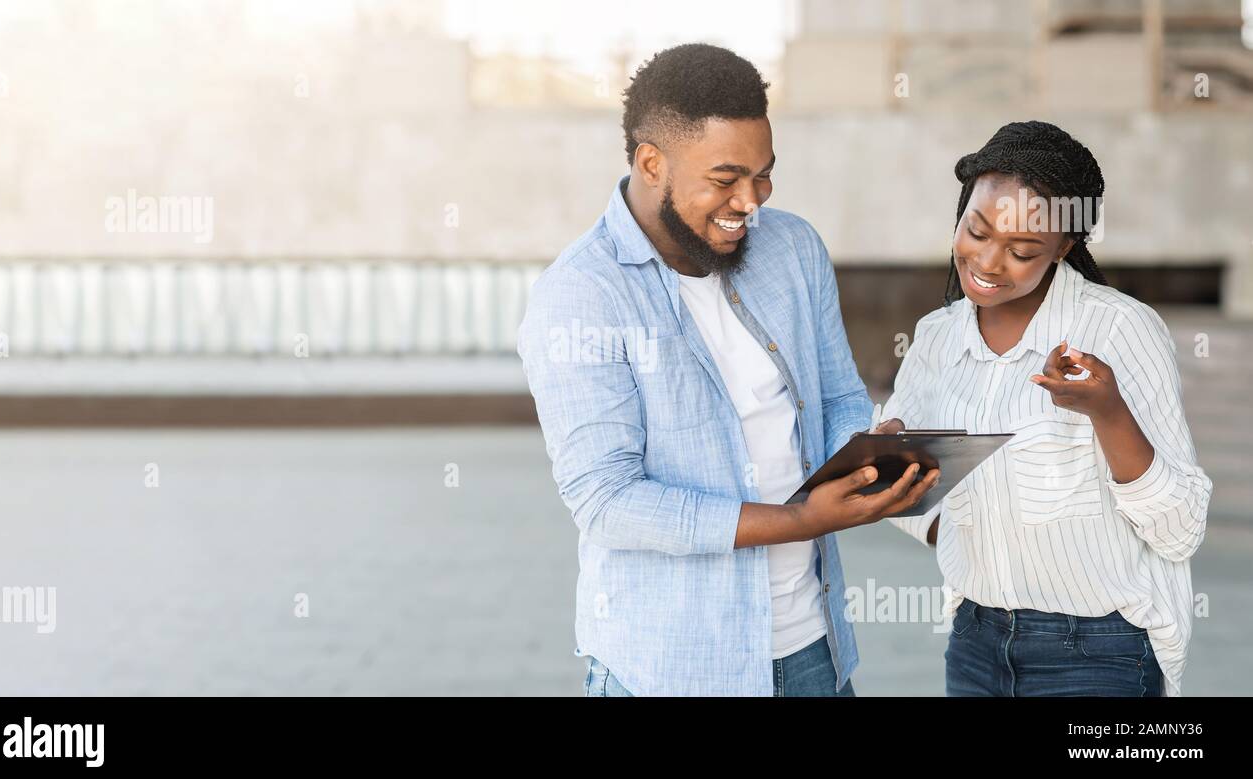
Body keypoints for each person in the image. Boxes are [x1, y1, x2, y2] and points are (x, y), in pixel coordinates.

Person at [517, 44, 937, 697]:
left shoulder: (793, 249)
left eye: (764, 175)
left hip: (812, 654)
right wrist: (803, 519)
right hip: (672, 669)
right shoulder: (581, 295)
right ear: (651, 162)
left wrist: (868, 460)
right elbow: (608, 502)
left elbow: (837, 399)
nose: (750, 201)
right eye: (725, 178)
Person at [879, 120, 1211, 696]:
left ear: (1065, 246)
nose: (988, 261)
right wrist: (898, 470)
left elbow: (1181, 530)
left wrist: (1109, 413)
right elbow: (917, 506)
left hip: (1098, 654)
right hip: (975, 643)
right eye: (976, 230)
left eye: (1023, 250)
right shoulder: (936, 336)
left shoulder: (1118, 328)